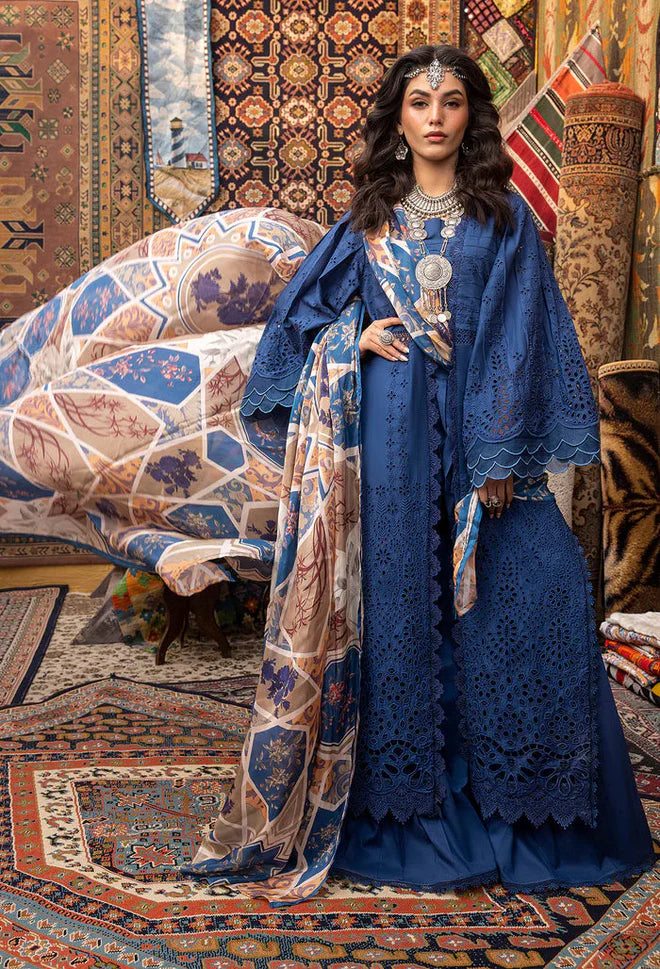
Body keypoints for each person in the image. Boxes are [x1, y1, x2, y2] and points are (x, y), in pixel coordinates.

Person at [182, 45, 655, 906]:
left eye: (451, 101)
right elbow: (293, 331)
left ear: (472, 117)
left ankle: (528, 812)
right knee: (402, 608)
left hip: (483, 437)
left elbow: (522, 331)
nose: (436, 116)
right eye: (419, 102)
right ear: (398, 120)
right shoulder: (368, 222)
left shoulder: (503, 219)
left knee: (525, 594)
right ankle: (412, 814)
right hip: (390, 435)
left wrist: (499, 451)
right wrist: (350, 339)